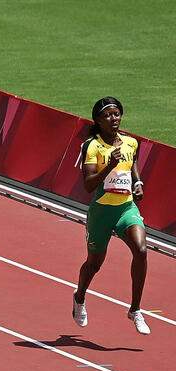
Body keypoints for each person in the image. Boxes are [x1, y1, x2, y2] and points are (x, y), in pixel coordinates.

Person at [72, 97, 150, 335]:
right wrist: (109, 166)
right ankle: (80, 296)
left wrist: (138, 182)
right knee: (94, 264)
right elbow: (87, 185)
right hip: (101, 212)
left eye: (117, 114)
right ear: (98, 120)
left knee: (141, 249)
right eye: (108, 115)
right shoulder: (92, 146)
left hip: (125, 208)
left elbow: (133, 162)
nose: (113, 119)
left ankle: (135, 309)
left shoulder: (130, 143)